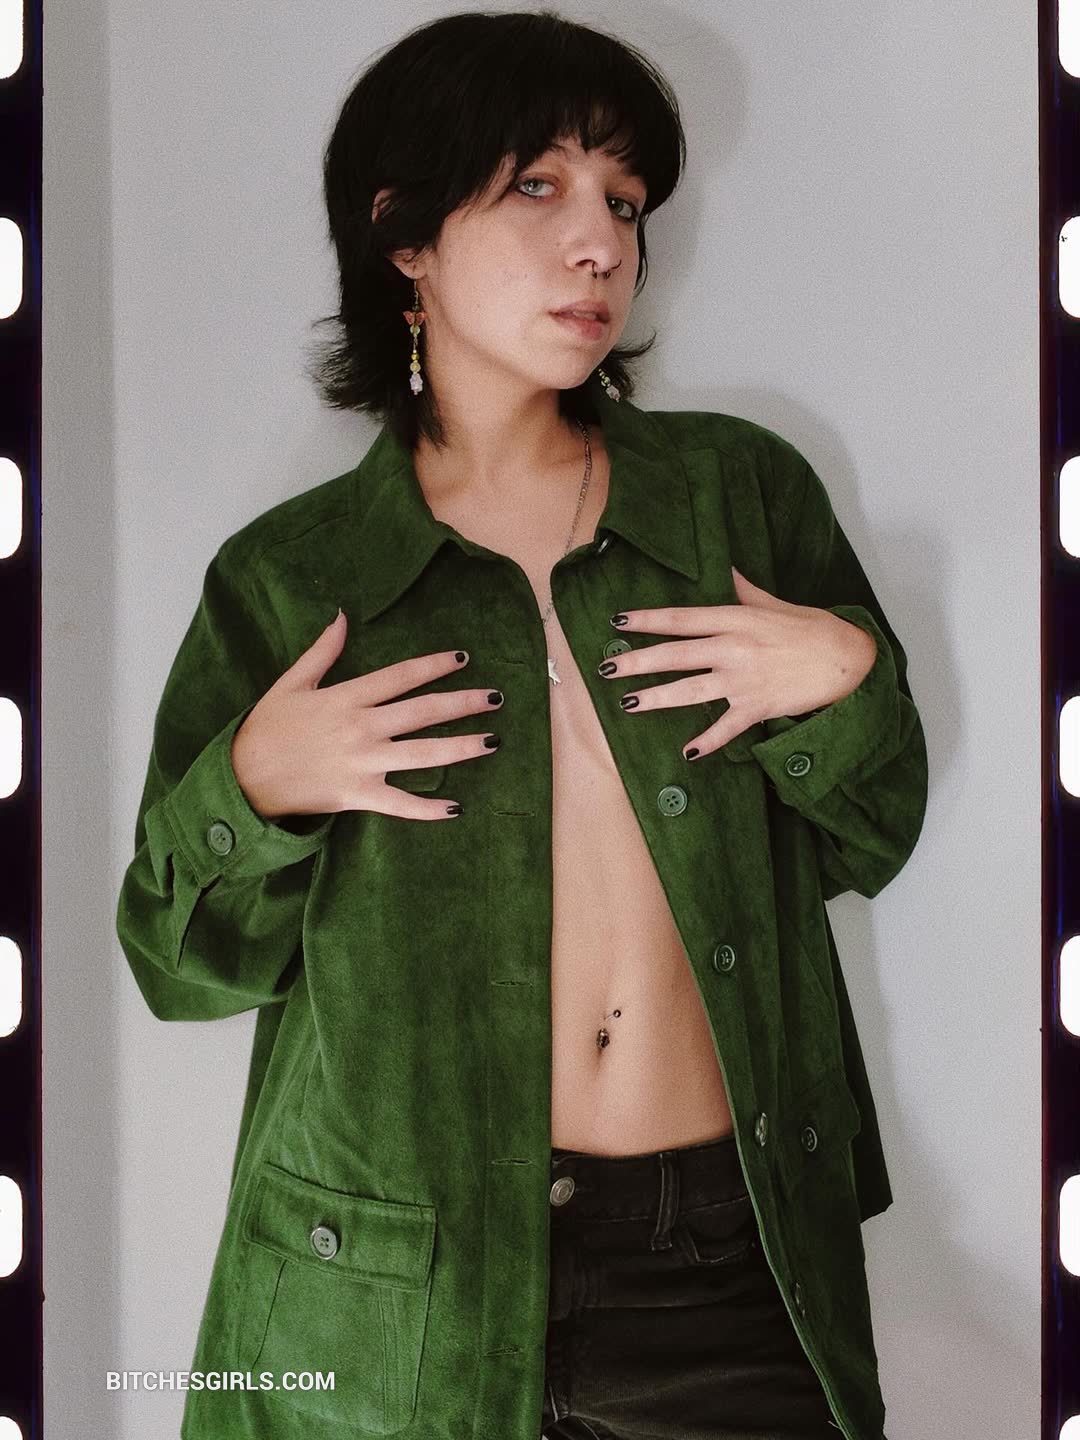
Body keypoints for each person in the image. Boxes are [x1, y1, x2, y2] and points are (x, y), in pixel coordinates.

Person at [115, 10, 928, 1440]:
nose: (601, 243)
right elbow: (182, 971)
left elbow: (870, 838)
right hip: (389, 1292)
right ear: (405, 236)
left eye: (626, 201)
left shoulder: (737, 497)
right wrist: (252, 786)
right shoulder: (292, 578)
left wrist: (848, 677)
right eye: (538, 186)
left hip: (724, 1268)